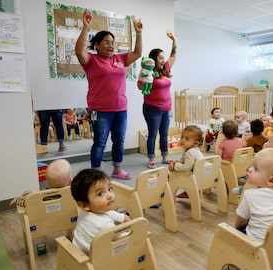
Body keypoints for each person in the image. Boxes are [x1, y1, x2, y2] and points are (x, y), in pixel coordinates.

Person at [75, 12, 143, 180]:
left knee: (119, 140)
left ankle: (117, 169)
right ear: (97, 45)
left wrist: (139, 33)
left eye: (112, 43)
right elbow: (78, 50)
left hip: (120, 108)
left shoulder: (120, 58)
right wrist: (85, 27)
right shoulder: (91, 60)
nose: (111, 46)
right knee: (100, 141)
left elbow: (137, 53)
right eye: (106, 42)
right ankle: (95, 173)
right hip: (99, 110)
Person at [137, 30, 177, 169]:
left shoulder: (165, 69)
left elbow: (173, 55)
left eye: (163, 58)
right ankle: (151, 159)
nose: (163, 60)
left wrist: (174, 40)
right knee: (153, 134)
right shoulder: (147, 71)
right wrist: (145, 77)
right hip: (152, 108)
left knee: (164, 134)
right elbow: (140, 86)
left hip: (166, 108)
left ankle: (165, 157)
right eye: (160, 58)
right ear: (153, 59)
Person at [70, 169, 131, 255]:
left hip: (79, 251)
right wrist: (132, 230)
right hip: (93, 261)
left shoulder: (89, 211)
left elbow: (107, 213)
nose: (109, 195)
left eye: (109, 189)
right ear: (84, 205)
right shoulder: (104, 226)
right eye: (100, 194)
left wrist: (122, 217)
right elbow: (126, 238)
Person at [169, 125, 204, 198]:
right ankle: (187, 192)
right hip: (200, 175)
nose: (182, 140)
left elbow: (187, 167)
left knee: (176, 173)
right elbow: (182, 159)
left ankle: (177, 192)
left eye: (187, 139)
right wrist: (175, 162)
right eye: (182, 137)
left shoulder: (190, 153)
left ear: (196, 143)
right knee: (179, 167)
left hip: (194, 177)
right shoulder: (191, 150)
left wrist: (175, 166)